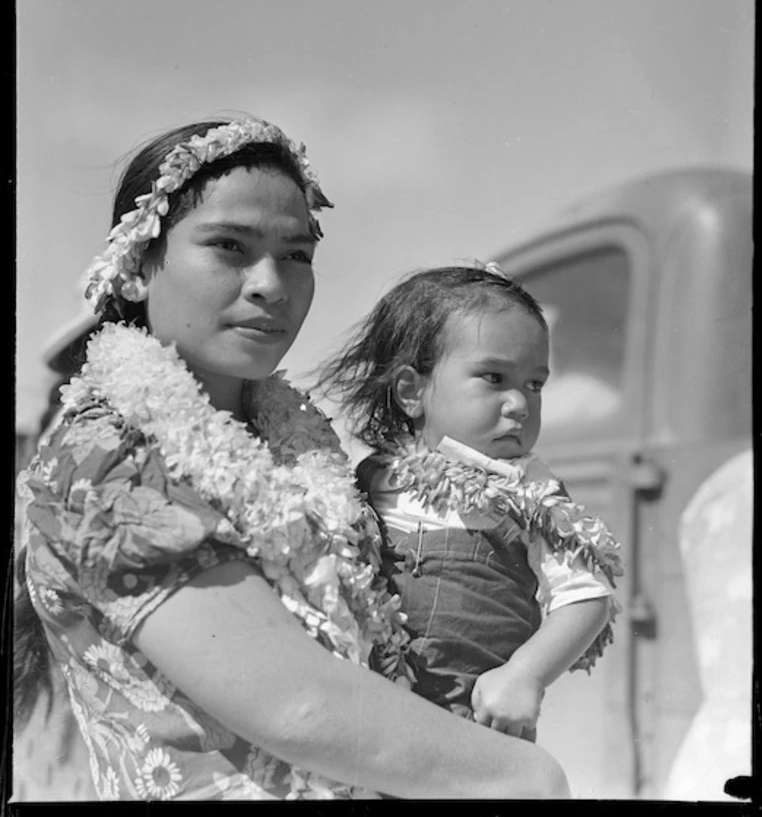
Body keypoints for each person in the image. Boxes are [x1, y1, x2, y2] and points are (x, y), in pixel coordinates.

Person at [14, 115, 571, 801]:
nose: (270, 284)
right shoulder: (104, 459)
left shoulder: (301, 452)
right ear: (134, 269)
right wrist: (525, 775)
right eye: (228, 246)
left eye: (296, 254)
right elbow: (298, 706)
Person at [315, 264, 623, 740]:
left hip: (475, 726)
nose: (520, 404)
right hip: (372, 720)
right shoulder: (371, 479)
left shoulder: (530, 491)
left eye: (535, 384)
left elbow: (586, 597)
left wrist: (525, 674)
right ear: (411, 391)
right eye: (495, 377)